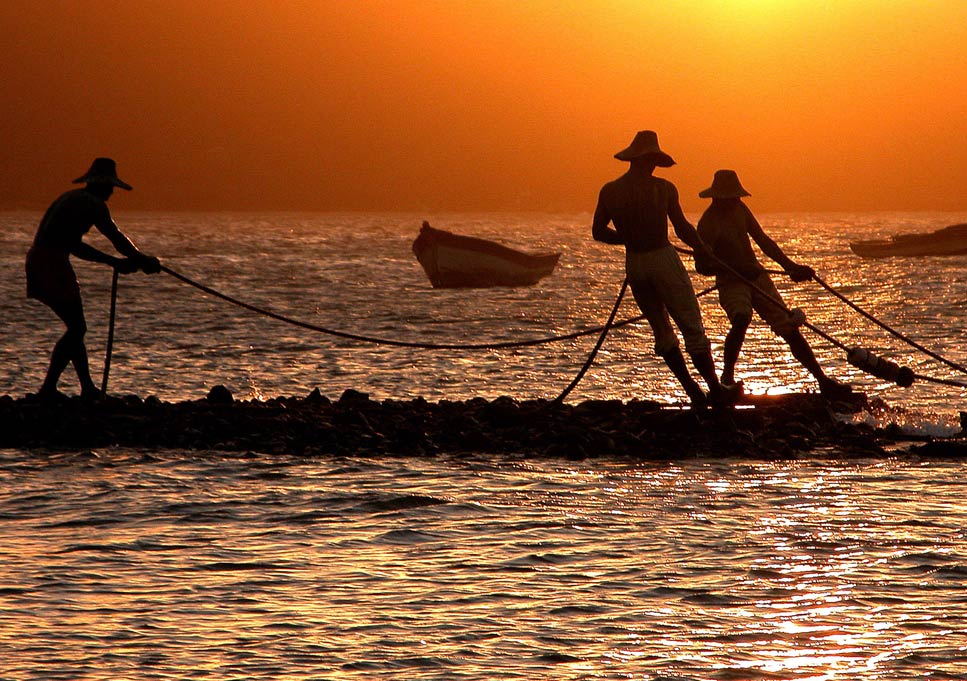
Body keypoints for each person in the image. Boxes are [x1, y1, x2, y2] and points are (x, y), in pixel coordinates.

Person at [592, 130, 736, 409]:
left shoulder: (610, 191)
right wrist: (703, 249)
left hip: (635, 263)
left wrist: (628, 238)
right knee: (691, 325)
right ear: (652, 160)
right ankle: (714, 390)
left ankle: (692, 390)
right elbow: (682, 228)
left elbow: (599, 232)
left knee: (662, 330)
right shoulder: (663, 189)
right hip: (661, 258)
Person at [694, 169, 852, 399]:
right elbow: (702, 266)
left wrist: (791, 267)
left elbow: (763, 241)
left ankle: (823, 381)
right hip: (731, 281)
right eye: (732, 197)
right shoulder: (708, 223)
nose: (736, 200)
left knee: (789, 327)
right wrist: (737, 269)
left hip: (757, 276)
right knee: (741, 318)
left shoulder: (740, 210)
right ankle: (726, 379)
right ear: (718, 197)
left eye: (737, 196)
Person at [25, 157, 161, 400]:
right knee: (77, 328)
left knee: (76, 328)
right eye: (109, 187)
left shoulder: (72, 198)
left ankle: (86, 388)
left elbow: (80, 244)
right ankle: (48, 390)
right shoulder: (92, 204)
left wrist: (134, 260)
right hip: (51, 263)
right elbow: (110, 238)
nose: (111, 192)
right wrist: (133, 260)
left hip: (44, 260)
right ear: (100, 185)